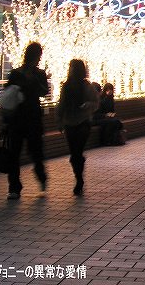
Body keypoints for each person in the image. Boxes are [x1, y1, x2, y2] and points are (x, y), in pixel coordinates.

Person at [3, 42, 49, 200]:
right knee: (26, 152)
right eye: (39, 56)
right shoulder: (20, 73)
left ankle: (23, 185)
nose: (39, 59)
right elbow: (9, 93)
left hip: (23, 119)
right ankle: (16, 186)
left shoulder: (28, 74)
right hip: (25, 118)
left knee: (26, 152)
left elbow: (44, 91)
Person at [56, 59, 99, 196]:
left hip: (83, 122)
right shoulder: (66, 85)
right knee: (74, 153)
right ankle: (78, 176)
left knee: (77, 152)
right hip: (69, 122)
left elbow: (96, 102)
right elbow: (61, 103)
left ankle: (79, 179)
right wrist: (59, 120)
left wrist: (88, 105)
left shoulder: (87, 86)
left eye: (73, 67)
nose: (71, 70)